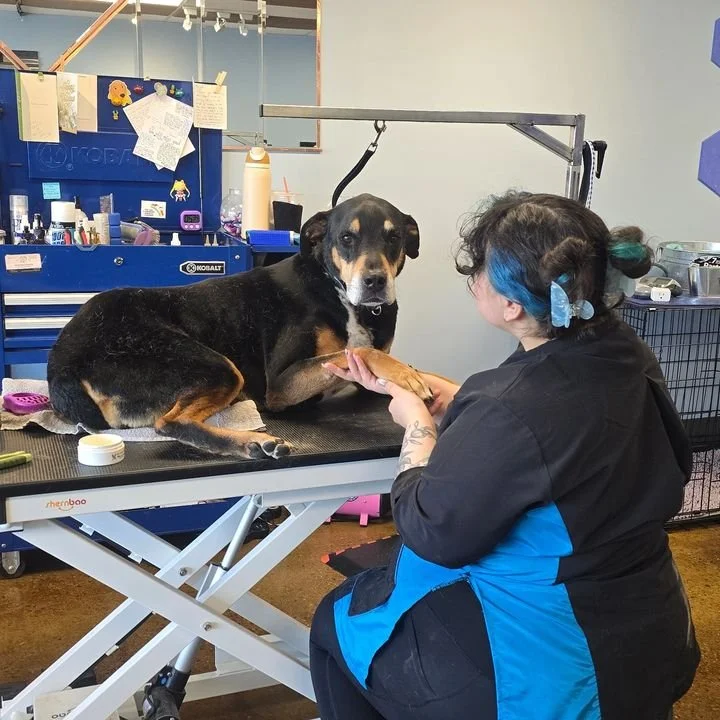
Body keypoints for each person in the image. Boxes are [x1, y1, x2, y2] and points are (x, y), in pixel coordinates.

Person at [309, 192, 700, 720]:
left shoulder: (508, 406)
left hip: (558, 667)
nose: (472, 280)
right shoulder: (626, 354)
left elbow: (432, 529)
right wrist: (460, 400)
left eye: (478, 272)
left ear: (512, 305)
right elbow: (545, 426)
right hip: (653, 636)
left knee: (338, 617)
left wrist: (418, 426)